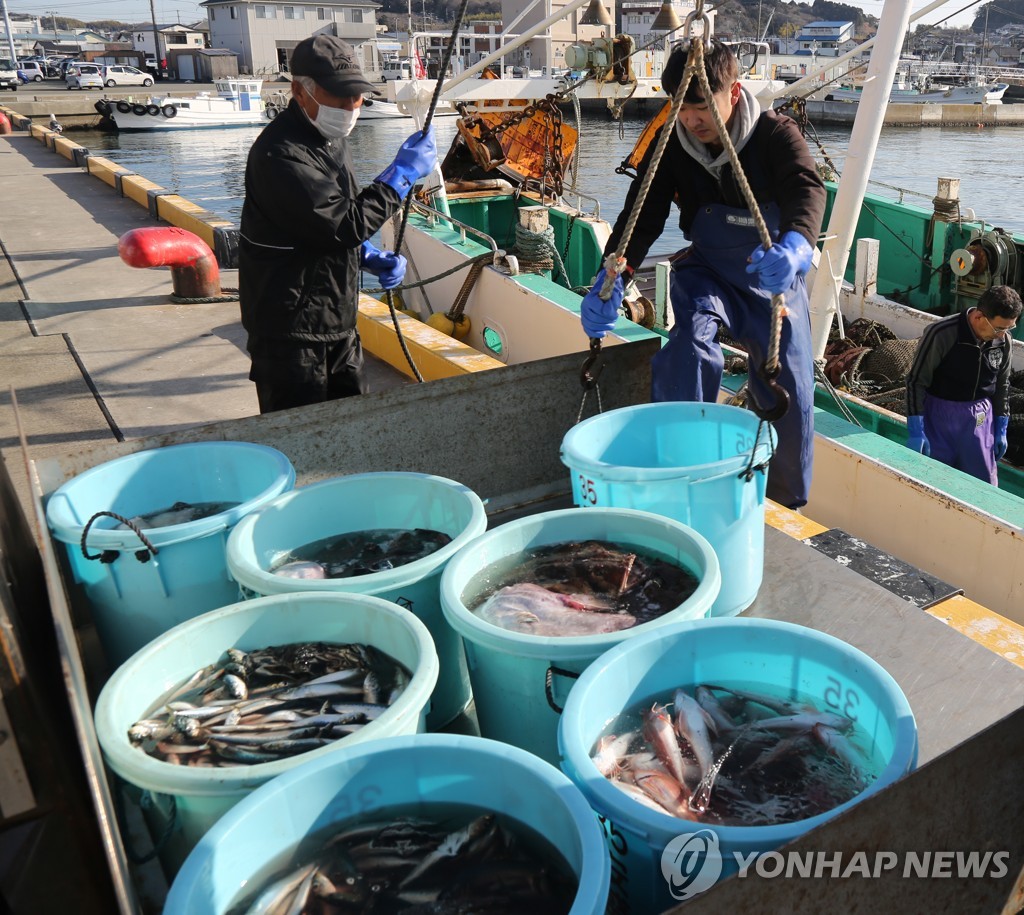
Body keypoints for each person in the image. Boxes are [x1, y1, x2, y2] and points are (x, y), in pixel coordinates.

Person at [579, 41, 826, 510]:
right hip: (709, 269)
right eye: (682, 108)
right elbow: (643, 213)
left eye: (702, 107)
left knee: (790, 384)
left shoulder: (776, 135)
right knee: (688, 348)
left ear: (733, 91)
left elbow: (805, 190)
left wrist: (797, 246)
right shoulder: (672, 142)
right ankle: (679, 476)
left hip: (769, 278)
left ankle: (783, 503)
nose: (692, 119)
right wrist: (611, 278)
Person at [239, 34, 437, 413]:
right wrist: (402, 174)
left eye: (356, 95)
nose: (350, 106)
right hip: (291, 333)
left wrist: (364, 254)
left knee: (352, 425)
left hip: (336, 318)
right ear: (300, 90)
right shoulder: (280, 154)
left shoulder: (329, 139)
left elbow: (325, 221)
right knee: (302, 434)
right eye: (338, 95)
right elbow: (343, 223)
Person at [905, 285, 1021, 484]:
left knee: (983, 486)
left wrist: (1001, 427)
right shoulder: (941, 334)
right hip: (938, 417)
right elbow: (916, 381)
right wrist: (916, 430)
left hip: (979, 421)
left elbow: (1002, 385)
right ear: (978, 317)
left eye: (1009, 328)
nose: (1003, 335)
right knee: (929, 482)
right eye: (999, 328)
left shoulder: (1004, 342)